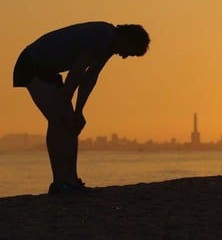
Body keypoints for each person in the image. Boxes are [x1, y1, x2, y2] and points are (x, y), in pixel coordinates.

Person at [13, 21, 150, 194]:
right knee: (58, 120)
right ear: (126, 39)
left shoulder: (109, 46)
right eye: (129, 53)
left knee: (70, 123)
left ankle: (71, 180)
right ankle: (59, 183)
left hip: (48, 71)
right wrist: (66, 101)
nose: (124, 57)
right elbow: (77, 72)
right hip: (31, 65)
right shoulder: (102, 37)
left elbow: (90, 78)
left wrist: (79, 112)